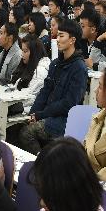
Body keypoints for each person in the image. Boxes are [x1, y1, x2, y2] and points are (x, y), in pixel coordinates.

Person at [18, 20, 87, 153]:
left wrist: (41, 115)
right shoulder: (55, 63)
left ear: (72, 40)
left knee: (26, 133)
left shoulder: (79, 68)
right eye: (57, 35)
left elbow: (69, 104)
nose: (57, 39)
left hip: (64, 120)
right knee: (19, 125)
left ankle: (41, 162)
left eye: (61, 36)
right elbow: (45, 91)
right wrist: (33, 113)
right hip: (48, 115)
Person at [11, 35, 51, 100]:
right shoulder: (28, 64)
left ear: (34, 53)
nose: (22, 54)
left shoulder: (40, 71)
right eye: (22, 50)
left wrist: (11, 96)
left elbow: (31, 98)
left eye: (25, 51)